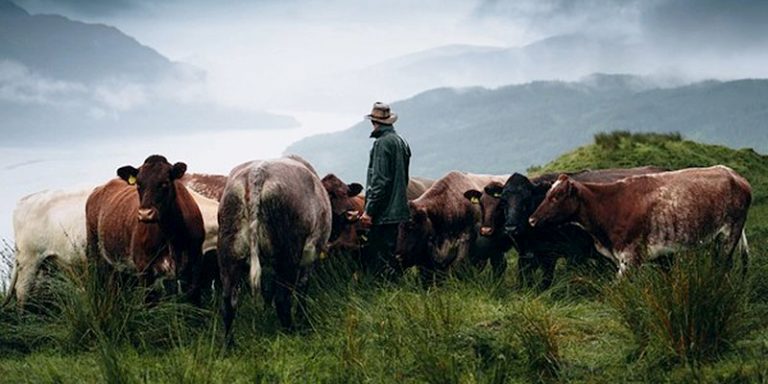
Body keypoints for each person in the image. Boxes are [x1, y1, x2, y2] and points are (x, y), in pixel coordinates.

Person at [359, 102, 411, 277]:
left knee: (378, 256)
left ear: (374, 122)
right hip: (398, 210)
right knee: (391, 253)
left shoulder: (382, 144)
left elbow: (380, 181)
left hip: (383, 212)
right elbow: (404, 179)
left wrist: (369, 211)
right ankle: (393, 292)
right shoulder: (401, 141)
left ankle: (382, 293)